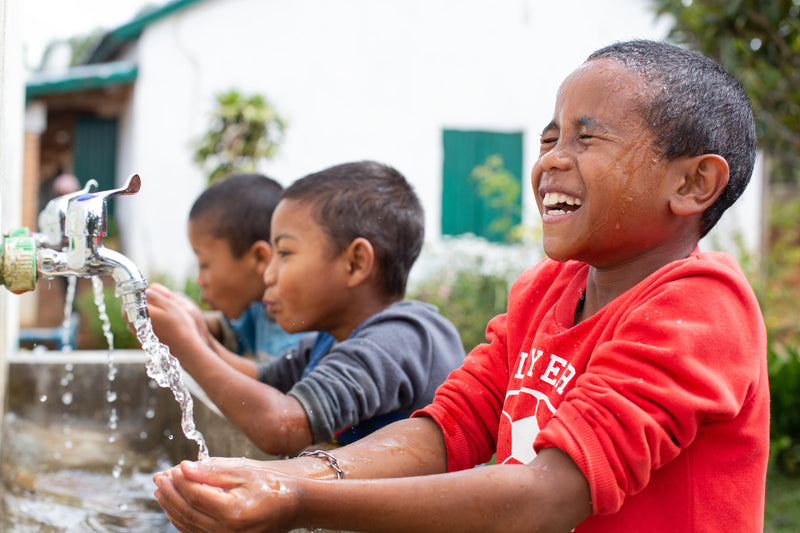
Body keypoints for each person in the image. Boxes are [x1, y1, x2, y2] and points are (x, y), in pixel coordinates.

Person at [152, 40, 769, 533]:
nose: (552, 158)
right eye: (551, 137)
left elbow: (547, 498)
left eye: (588, 137)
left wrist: (298, 500)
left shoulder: (701, 306)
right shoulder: (544, 292)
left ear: (692, 184)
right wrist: (297, 475)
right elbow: (449, 427)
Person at [144, 160, 466, 456]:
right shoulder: (330, 341)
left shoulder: (400, 339)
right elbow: (261, 381)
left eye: (284, 253)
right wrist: (195, 332)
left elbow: (283, 427)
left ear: (355, 263)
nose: (269, 274)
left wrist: (186, 346)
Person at [146, 173, 306, 363]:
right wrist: (180, 316)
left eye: (204, 265)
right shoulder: (258, 311)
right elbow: (228, 332)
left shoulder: (301, 330)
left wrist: (189, 343)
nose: (199, 280)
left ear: (259, 258)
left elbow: (263, 389)